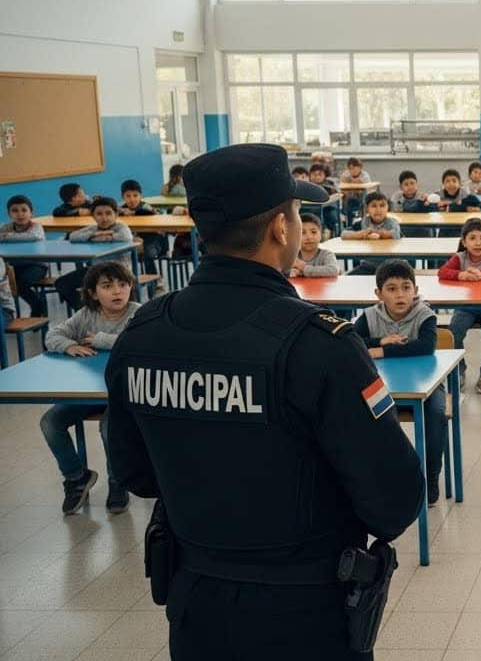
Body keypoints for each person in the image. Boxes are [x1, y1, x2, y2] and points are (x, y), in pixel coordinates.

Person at [104, 143, 424, 661]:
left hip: (195, 606)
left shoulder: (142, 333)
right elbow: (394, 500)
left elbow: (133, 473)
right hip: (304, 615)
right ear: (281, 228)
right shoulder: (319, 345)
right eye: (298, 212)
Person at [42, 261, 139, 515]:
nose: (117, 291)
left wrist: (100, 339)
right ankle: (76, 477)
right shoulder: (86, 314)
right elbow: (52, 335)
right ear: (94, 293)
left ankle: (118, 481)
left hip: (125, 393)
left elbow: (138, 344)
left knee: (109, 427)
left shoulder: (138, 313)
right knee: (50, 422)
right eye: (107, 286)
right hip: (90, 392)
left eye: (123, 285)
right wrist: (67, 345)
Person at [353, 259, 447, 505]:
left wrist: (383, 352)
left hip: (428, 384)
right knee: (358, 412)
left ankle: (431, 475)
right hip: (383, 386)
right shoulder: (369, 316)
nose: (400, 295)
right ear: (379, 293)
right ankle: (377, 478)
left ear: (415, 290)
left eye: (406, 287)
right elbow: (351, 343)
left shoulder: (425, 314)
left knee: (436, 413)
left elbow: (426, 347)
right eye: (392, 289)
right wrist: (379, 341)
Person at [437, 218, 481, 395]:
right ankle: (459, 370)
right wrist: (460, 275)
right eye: (473, 238)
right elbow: (442, 272)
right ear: (464, 241)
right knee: (454, 332)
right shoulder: (459, 258)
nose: (478, 243)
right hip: (465, 306)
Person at [58, 197, 133, 313]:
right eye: (99, 214)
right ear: (93, 216)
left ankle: (97, 311)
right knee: (62, 283)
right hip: (96, 271)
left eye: (108, 213)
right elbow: (73, 236)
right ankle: (85, 310)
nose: (104, 218)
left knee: (104, 289)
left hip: (119, 272)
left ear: (116, 214)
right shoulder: (93, 228)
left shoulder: (121, 227)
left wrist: (102, 237)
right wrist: (97, 234)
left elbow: (126, 236)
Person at [2, 195, 48, 316]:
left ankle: (37, 304)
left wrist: (6, 237)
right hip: (14, 265)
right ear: (9, 214)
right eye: (15, 211)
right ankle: (7, 314)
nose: (20, 214)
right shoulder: (6, 227)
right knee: (5, 282)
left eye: (24, 210)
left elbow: (32, 236)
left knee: (20, 284)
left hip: (37, 265)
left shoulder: (36, 227)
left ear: (31, 213)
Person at [121, 179, 167, 277]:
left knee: (147, 253)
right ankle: (130, 281)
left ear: (141, 196)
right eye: (128, 196)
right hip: (133, 242)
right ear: (123, 197)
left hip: (154, 242)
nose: (132, 199)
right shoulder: (122, 210)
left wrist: (134, 213)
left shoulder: (146, 207)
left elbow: (157, 214)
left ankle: (155, 280)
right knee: (122, 254)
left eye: (135, 195)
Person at [289, 212, 340, 277]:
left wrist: (304, 268)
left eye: (313, 232)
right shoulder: (292, 257)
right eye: (303, 233)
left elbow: (334, 270)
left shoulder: (326, 255)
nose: (309, 237)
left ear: (321, 235)